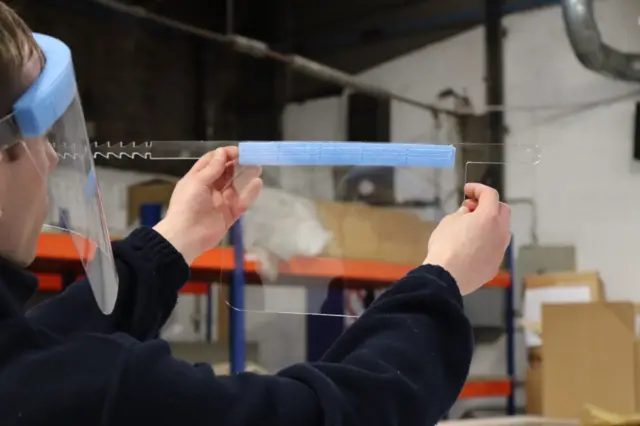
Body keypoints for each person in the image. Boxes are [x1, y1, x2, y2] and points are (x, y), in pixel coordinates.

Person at [0, 4, 512, 426]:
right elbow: (346, 415)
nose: (50, 158)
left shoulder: (28, 370)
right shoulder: (97, 395)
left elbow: (46, 339)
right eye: (40, 134)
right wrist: (442, 281)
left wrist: (173, 240)